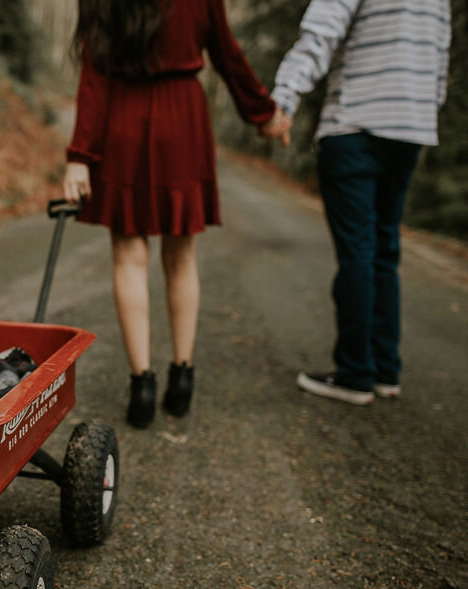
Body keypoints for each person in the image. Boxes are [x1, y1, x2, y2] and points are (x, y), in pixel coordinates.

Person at [63, 0, 289, 428]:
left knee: (128, 257)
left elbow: (94, 75)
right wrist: (263, 113)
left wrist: (80, 155)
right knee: (181, 257)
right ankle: (181, 378)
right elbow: (227, 55)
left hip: (122, 122)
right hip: (183, 119)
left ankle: (141, 386)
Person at [268, 0, 451, 405]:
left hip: (355, 125)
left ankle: (355, 372)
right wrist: (422, 112)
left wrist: (284, 98)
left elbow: (321, 35)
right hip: (411, 127)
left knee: (358, 252)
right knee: (385, 249)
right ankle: (385, 370)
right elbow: (439, 59)